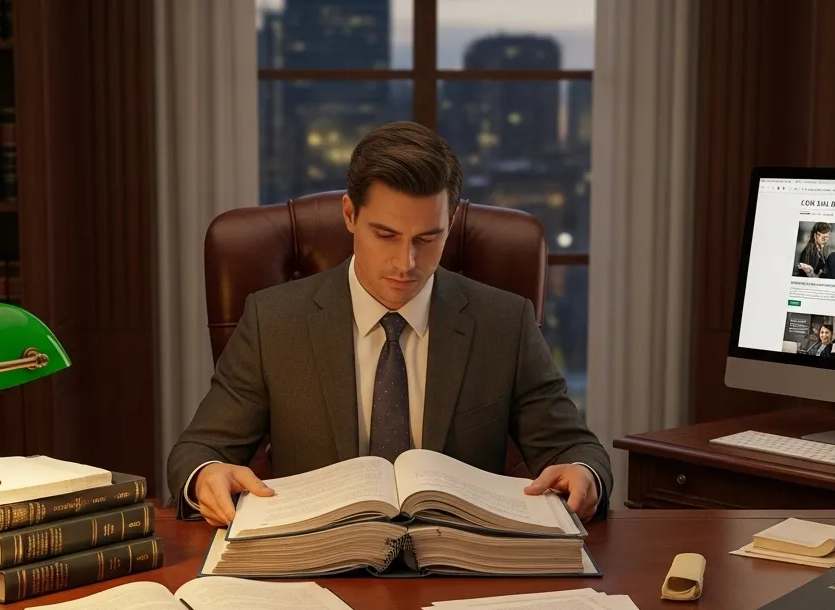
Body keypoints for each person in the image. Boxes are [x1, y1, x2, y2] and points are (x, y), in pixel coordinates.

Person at [167, 121, 612, 527]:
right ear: (349, 215)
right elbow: (198, 452)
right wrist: (207, 475)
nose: (406, 263)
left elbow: (575, 451)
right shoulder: (274, 321)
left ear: (450, 221)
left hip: (461, 569)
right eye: (386, 235)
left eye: (427, 238)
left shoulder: (504, 323)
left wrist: (583, 474)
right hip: (319, 566)